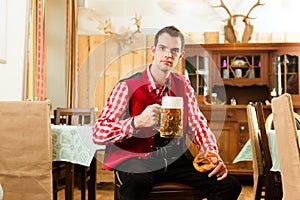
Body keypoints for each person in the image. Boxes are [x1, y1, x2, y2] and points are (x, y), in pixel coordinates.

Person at [92, 26, 242, 200]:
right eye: (163, 48)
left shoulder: (183, 85)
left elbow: (197, 124)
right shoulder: (126, 86)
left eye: (174, 50)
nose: (168, 55)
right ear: (153, 51)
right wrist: (135, 123)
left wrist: (211, 154)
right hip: (135, 159)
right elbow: (98, 133)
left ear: (181, 55)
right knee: (137, 182)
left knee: (229, 186)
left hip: (173, 159)